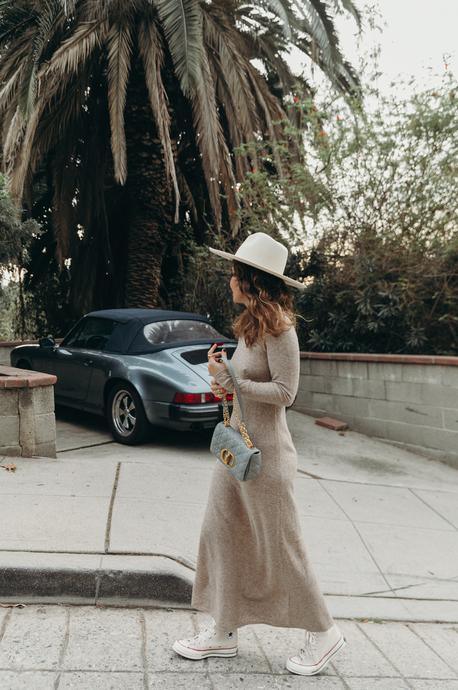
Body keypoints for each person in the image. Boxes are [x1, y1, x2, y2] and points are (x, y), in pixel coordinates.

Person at [172, 232, 346, 676]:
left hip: (266, 460)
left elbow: (286, 393)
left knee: (282, 548)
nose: (229, 280)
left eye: (235, 273)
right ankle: (224, 630)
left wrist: (236, 382)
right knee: (221, 532)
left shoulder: (281, 329)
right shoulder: (250, 326)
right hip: (236, 451)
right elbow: (242, 386)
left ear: (251, 280)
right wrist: (223, 381)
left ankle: (324, 633)